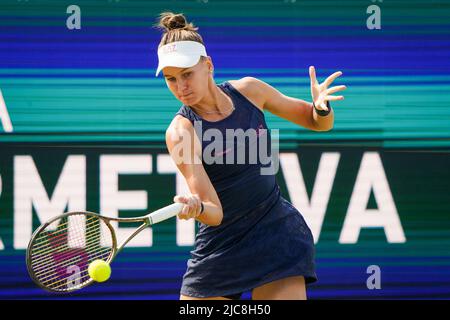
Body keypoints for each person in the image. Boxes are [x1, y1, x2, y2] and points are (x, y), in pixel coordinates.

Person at [155, 12, 346, 300]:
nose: (180, 87)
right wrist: (194, 206)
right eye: (171, 79)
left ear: (208, 66)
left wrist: (320, 108)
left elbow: (317, 122)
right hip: (221, 247)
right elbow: (214, 212)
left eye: (186, 75)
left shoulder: (250, 91)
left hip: (276, 234)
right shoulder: (181, 132)